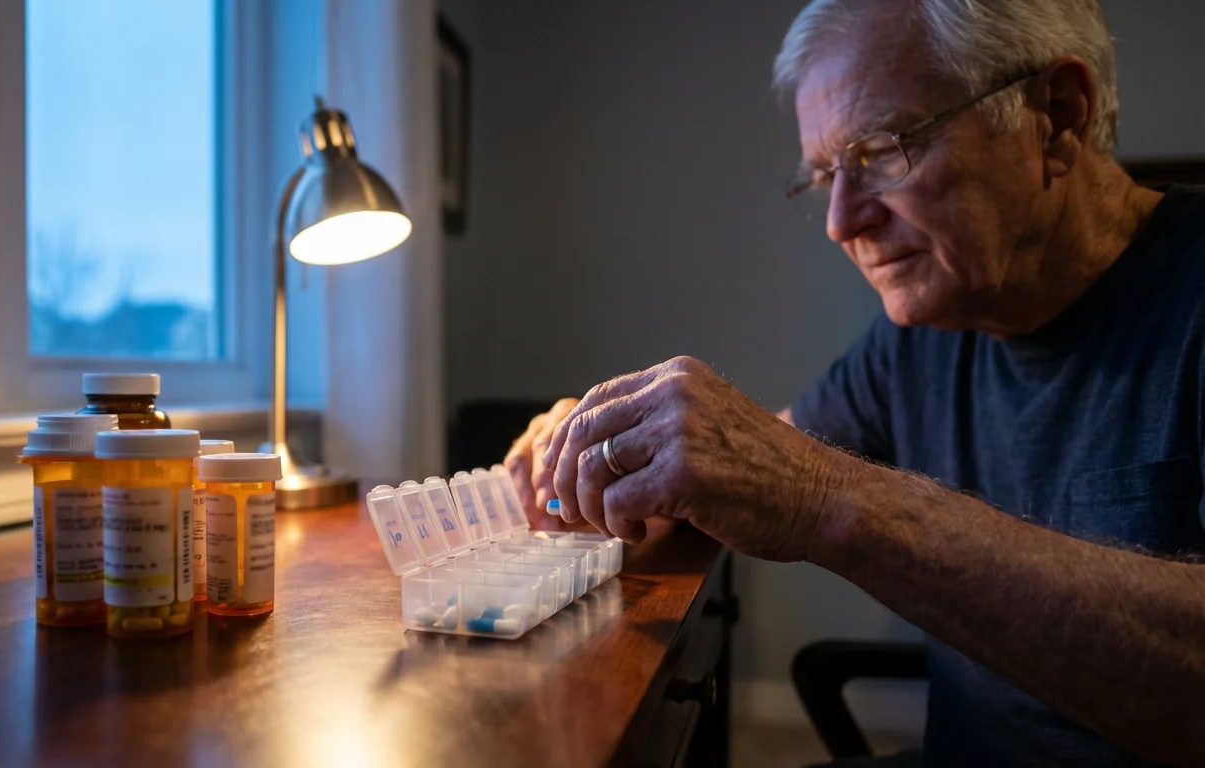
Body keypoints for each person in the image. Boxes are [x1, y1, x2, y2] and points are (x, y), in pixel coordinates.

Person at [503, 0, 1205, 765]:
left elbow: (801, 481)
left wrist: (829, 501)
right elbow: (754, 463)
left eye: (882, 149)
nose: (842, 220)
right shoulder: (928, 333)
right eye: (823, 177)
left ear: (1058, 117)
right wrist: (624, 450)